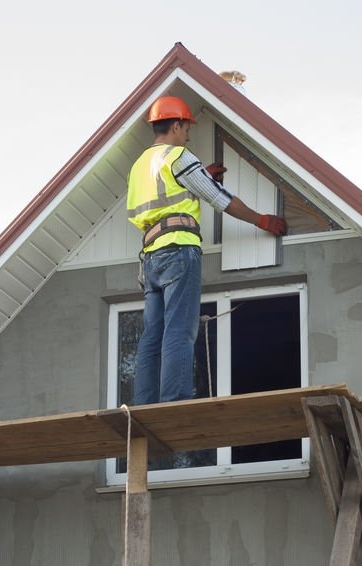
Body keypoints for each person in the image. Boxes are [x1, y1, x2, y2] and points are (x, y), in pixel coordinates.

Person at [127, 95, 286, 405]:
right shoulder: (179, 156)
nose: (188, 135)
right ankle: (176, 401)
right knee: (180, 329)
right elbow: (220, 199)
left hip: (150, 257)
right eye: (186, 128)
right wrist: (261, 220)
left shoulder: (139, 166)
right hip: (178, 250)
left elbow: (164, 196)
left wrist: (197, 178)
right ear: (175, 125)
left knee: (152, 336)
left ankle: (145, 404)